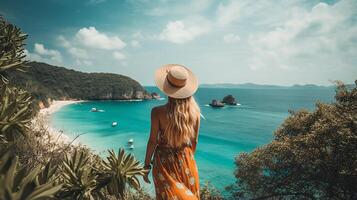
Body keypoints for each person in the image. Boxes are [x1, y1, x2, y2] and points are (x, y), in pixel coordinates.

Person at [143, 64, 201, 200]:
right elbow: (194, 141)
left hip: (164, 163)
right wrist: (185, 158)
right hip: (187, 159)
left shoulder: (157, 112)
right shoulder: (195, 113)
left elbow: (152, 141)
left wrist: (146, 166)